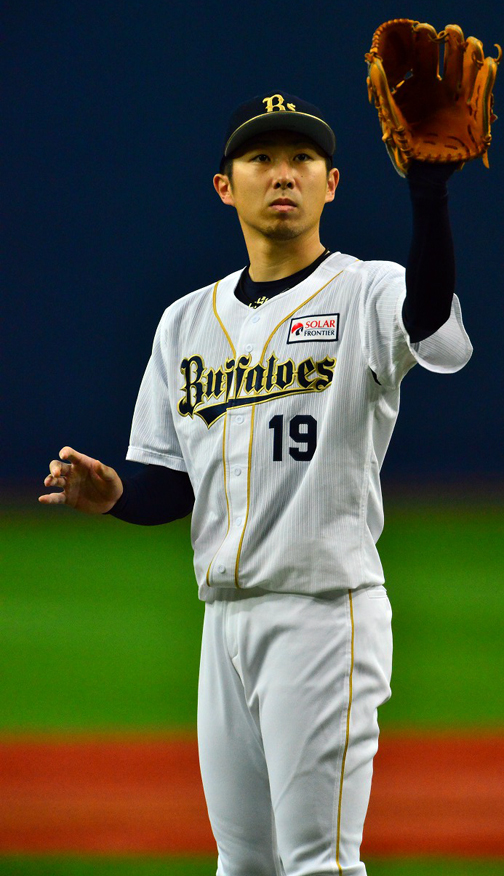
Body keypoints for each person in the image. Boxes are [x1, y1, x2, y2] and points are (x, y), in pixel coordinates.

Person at [40, 91, 472, 876]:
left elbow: (429, 319)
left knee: (320, 862)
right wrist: (117, 498)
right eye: (261, 158)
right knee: (242, 864)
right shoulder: (185, 322)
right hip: (224, 623)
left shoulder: (367, 290)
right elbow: (171, 484)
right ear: (224, 186)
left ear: (331, 184)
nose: (283, 174)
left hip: (323, 614)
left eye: (303, 158)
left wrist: (429, 193)